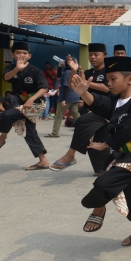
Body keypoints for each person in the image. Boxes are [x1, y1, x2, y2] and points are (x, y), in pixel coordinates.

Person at [71, 56, 131, 246]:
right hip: (121, 155)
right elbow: (99, 105)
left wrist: (105, 144)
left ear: (130, 80)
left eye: (113, 79)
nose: (109, 83)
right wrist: (84, 93)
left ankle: (98, 207)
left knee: (104, 183)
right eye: (108, 79)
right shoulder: (115, 101)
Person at [49, 43, 111, 176]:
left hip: (107, 108)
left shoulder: (110, 72)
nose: (92, 57)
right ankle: (101, 169)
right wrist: (73, 70)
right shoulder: (87, 72)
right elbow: (73, 85)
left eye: (96, 55)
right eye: (90, 55)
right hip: (92, 110)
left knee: (82, 122)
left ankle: (70, 155)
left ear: (104, 56)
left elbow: (107, 88)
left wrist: (86, 84)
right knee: (97, 140)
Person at [0, 42, 50, 170]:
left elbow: (44, 88)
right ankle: (43, 161)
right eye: (18, 53)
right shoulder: (12, 68)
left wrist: (31, 100)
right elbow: (6, 78)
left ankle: (1, 139)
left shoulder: (35, 71)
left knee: (7, 115)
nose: (21, 55)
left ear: (29, 56)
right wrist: (17, 69)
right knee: (29, 131)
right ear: (13, 55)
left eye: (25, 53)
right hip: (20, 102)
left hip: (35, 104)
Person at [45, 67, 81, 138]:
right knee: (76, 115)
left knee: (59, 115)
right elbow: (58, 76)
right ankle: (87, 128)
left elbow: (67, 86)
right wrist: (59, 67)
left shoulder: (67, 72)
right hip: (74, 96)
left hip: (67, 97)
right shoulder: (75, 72)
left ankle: (55, 133)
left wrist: (64, 99)